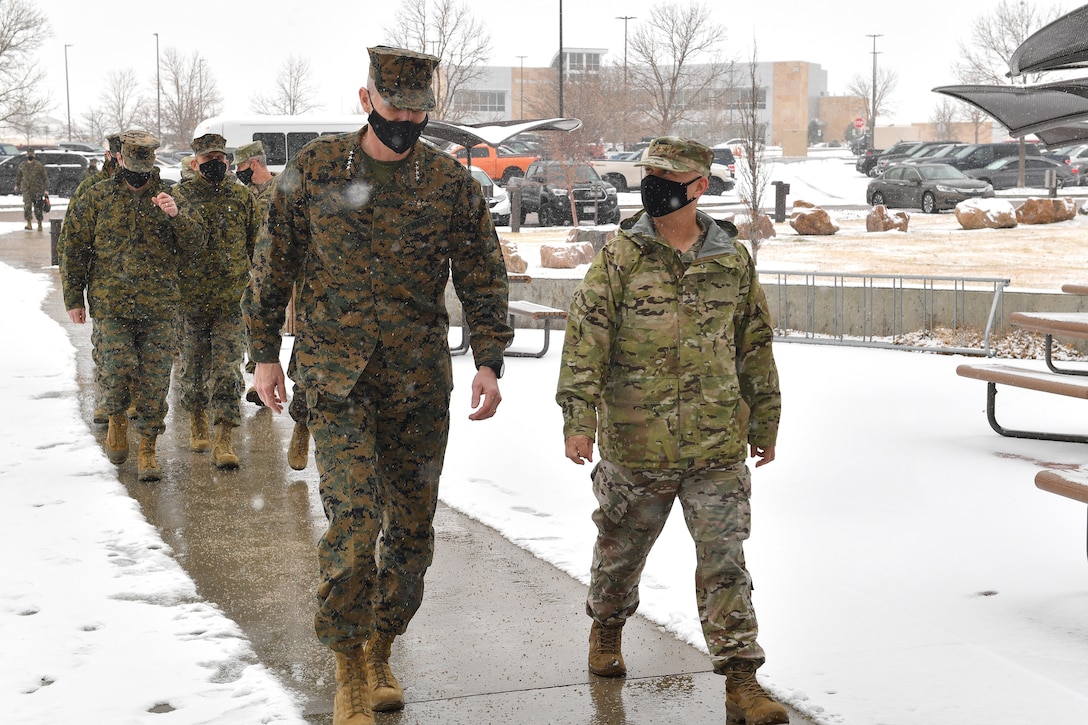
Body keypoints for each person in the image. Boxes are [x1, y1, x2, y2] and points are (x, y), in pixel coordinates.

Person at [243, 46, 512, 725]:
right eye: (394, 110)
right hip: (337, 377)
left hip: (418, 380)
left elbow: (482, 273)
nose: (406, 123)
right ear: (367, 100)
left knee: (413, 536)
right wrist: (264, 354)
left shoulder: (449, 184)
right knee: (356, 525)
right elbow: (273, 264)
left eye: (418, 113)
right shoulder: (318, 169)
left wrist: (489, 358)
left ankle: (382, 642)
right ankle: (350, 667)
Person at [555, 137, 789, 725]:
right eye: (649, 174)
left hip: (715, 443)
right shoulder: (621, 256)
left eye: (668, 176)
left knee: (724, 560)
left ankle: (742, 681)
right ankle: (606, 628)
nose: (653, 185)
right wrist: (577, 419)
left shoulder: (731, 261)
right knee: (620, 553)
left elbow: (754, 346)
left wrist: (765, 420)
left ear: (699, 186)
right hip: (637, 442)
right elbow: (587, 339)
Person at [59, 129, 205, 482]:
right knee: (116, 368)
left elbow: (198, 245)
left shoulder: (171, 196)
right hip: (112, 306)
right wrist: (73, 298)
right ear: (119, 159)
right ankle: (117, 420)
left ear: (153, 162)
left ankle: (148, 449)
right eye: (132, 164)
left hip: (159, 307)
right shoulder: (97, 198)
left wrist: (177, 217)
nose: (139, 174)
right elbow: (74, 248)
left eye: (146, 166)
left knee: (155, 381)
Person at [172, 133, 261, 469]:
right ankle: (197, 418)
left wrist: (261, 288)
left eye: (220, 158)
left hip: (230, 301)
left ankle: (224, 437)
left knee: (226, 371)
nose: (215, 165)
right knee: (193, 369)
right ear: (195, 164)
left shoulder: (242, 197)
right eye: (207, 160)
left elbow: (256, 245)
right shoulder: (180, 196)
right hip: (191, 302)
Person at [66, 132, 124, 427]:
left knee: (139, 351)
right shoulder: (92, 188)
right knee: (106, 347)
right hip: (105, 286)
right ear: (110, 156)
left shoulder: (149, 189)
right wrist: (74, 296)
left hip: (144, 289)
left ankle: (133, 399)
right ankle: (108, 399)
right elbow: (71, 242)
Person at [14, 149, 49, 231]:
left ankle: (39, 223)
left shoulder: (38, 165)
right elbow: (19, 176)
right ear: (26, 155)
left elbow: (45, 177)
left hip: (37, 189)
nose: (30, 156)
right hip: (26, 189)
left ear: (34, 155)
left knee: (38, 208)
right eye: (29, 154)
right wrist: (17, 185)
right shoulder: (22, 165)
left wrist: (46, 189)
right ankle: (29, 223)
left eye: (31, 155)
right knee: (27, 207)